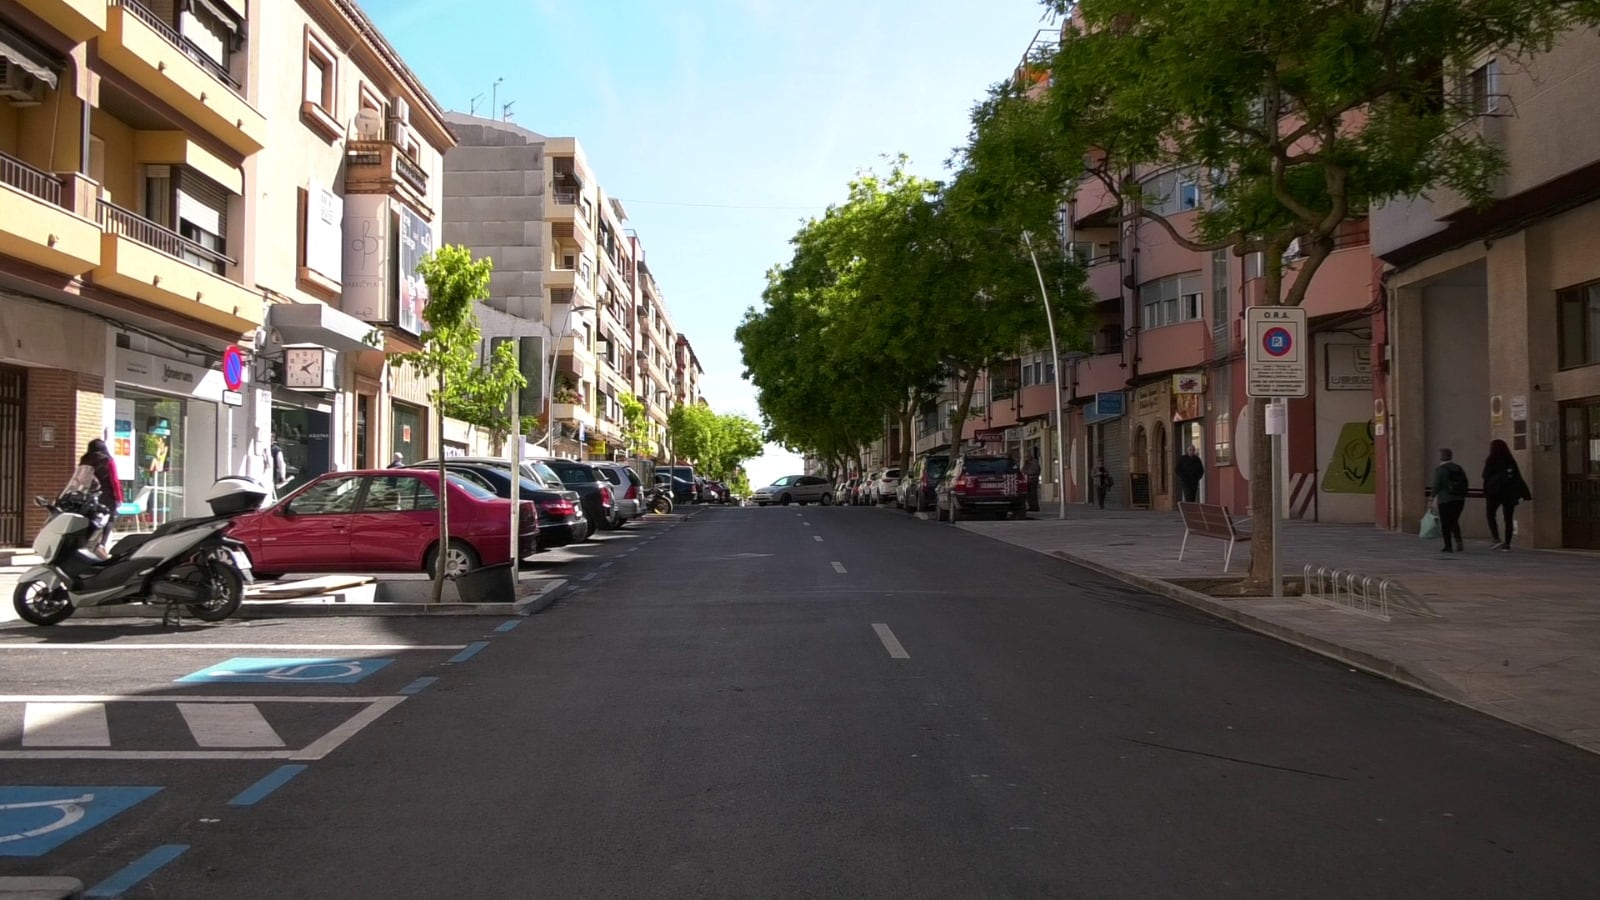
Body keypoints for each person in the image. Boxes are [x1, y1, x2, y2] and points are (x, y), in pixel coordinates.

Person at [1483, 438, 1533, 551]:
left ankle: (1496, 539)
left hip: (1494, 493)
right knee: (1508, 518)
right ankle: (1507, 544)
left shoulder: (1491, 459)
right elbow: (1517, 477)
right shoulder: (1510, 460)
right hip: (1508, 493)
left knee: (1490, 515)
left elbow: (1485, 475)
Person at [78, 438, 122, 556]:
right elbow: (114, 480)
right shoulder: (108, 460)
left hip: (88, 494)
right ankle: (102, 544)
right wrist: (118, 497)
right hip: (107, 493)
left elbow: (80, 477)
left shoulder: (85, 459)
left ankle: (89, 543)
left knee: (90, 518)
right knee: (110, 518)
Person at [1431, 447, 1470, 553]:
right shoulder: (1458, 468)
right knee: (1454, 521)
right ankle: (1458, 541)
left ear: (1442, 457)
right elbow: (1465, 482)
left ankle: (1448, 546)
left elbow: (1437, 485)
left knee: (1445, 523)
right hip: (1459, 500)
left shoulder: (1440, 470)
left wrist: (1431, 497)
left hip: (1445, 500)